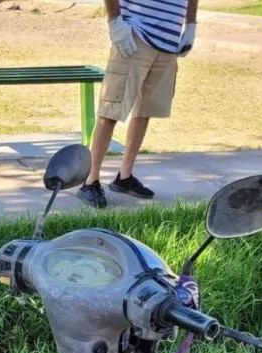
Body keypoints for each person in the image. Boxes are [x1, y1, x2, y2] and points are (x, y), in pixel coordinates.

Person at [77, 0, 198, 208]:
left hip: (169, 41)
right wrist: (115, 21)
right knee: (111, 110)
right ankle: (90, 181)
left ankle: (125, 177)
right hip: (135, 35)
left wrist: (191, 25)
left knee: (145, 111)